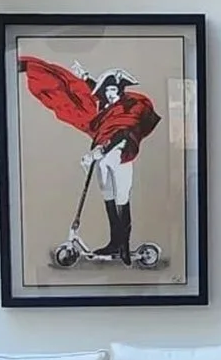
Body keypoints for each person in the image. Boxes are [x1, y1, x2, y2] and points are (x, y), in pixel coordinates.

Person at [19, 54, 163, 263]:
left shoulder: (130, 107)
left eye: (113, 90)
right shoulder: (107, 108)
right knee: (108, 194)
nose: (110, 94)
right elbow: (95, 94)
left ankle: (124, 246)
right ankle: (115, 242)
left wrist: (102, 150)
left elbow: (123, 132)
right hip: (103, 157)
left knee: (122, 198)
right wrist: (85, 77)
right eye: (107, 91)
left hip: (120, 157)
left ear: (120, 90)